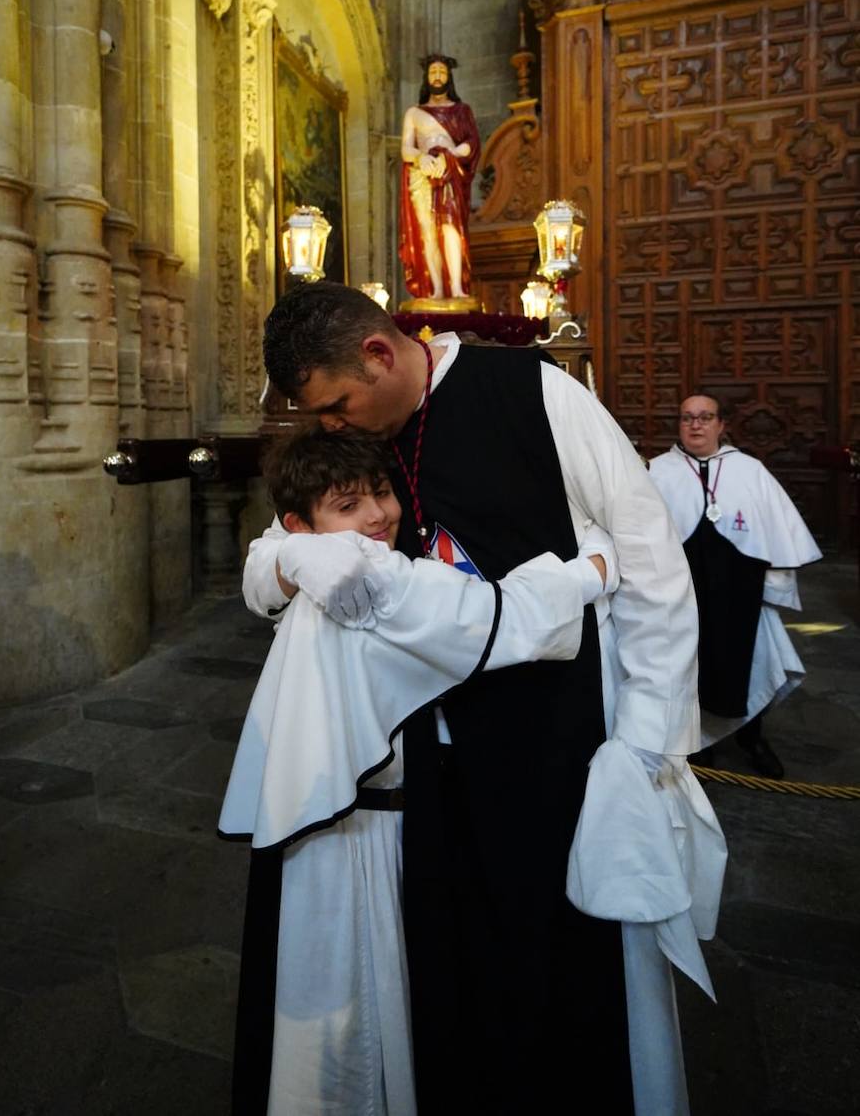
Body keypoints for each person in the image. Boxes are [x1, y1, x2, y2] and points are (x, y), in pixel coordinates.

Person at [248, 282, 727, 1116]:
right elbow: (288, 541)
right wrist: (279, 569)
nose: (329, 423)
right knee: (451, 972)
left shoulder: (534, 392)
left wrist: (644, 740)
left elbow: (649, 559)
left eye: (333, 404)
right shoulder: (363, 442)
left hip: (556, 742)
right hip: (428, 773)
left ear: (378, 354)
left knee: (563, 966)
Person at [222, 426, 617, 1115]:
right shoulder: (371, 575)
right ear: (302, 523)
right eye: (349, 505)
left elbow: (267, 560)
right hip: (357, 832)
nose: (377, 516)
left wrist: (286, 555)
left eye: (381, 493)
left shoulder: (330, 559)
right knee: (357, 1003)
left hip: (327, 817)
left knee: (332, 1001)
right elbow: (501, 614)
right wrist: (593, 570)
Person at [649, 391, 821, 778]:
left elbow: (775, 532)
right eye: (687, 417)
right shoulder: (658, 471)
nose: (695, 425)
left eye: (705, 417)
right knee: (688, 665)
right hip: (683, 594)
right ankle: (698, 744)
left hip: (738, 594)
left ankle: (752, 739)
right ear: (679, 424)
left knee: (749, 661)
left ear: (721, 425)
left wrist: (774, 588)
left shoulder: (750, 471)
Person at [398, 54, 480, 302]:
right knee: (427, 231)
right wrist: (421, 158)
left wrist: (450, 156)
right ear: (426, 77)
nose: (437, 76)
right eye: (433, 71)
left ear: (449, 77)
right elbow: (405, 149)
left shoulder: (461, 111)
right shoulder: (414, 113)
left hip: (449, 172)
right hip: (422, 174)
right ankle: (435, 290)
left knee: (450, 227)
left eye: (442, 72)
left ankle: (456, 288)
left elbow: (472, 142)